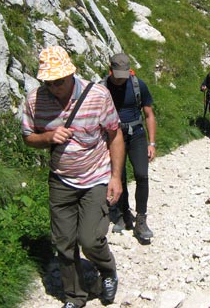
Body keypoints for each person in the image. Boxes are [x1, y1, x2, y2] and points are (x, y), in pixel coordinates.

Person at [22, 46, 124, 308]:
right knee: (63, 243)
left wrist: (116, 178)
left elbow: (114, 134)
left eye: (60, 81)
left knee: (90, 239)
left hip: (96, 177)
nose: (55, 86)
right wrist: (47, 136)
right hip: (60, 179)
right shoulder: (34, 100)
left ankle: (108, 270)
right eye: (49, 82)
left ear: (71, 74)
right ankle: (75, 296)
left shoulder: (98, 95)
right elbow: (28, 138)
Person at [102, 53, 157, 240]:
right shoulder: (102, 88)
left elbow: (149, 114)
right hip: (113, 136)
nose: (121, 79)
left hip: (136, 134)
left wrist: (152, 143)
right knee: (120, 177)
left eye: (124, 75)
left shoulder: (137, 85)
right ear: (111, 70)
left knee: (142, 174)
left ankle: (141, 220)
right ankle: (123, 214)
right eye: (118, 75)